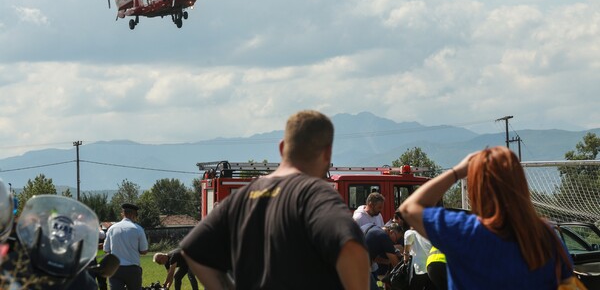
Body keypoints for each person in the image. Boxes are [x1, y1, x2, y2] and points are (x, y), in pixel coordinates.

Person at [180, 110, 370, 289]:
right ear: (327, 153)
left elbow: (193, 250)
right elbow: (349, 244)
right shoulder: (315, 194)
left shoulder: (242, 197)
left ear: (282, 148)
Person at [399, 146, 575, 289]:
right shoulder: (547, 237)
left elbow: (409, 208)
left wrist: (458, 171)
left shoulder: (465, 230)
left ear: (475, 191)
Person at [103, 203, 148, 290]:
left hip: (115, 268)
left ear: (122, 213)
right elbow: (144, 250)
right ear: (134, 215)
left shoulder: (112, 228)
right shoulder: (138, 229)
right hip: (132, 268)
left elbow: (106, 249)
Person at [362, 223, 402, 290]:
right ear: (391, 232)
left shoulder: (372, 227)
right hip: (359, 266)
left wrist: (387, 261)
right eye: (396, 239)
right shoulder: (384, 237)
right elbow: (396, 265)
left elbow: (373, 256)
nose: (395, 242)